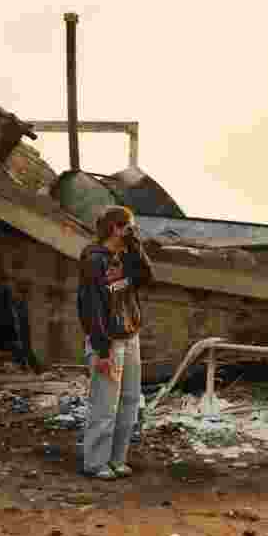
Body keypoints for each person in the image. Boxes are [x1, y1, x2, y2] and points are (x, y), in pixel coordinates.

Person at [77, 205, 154, 480]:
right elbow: (90, 306)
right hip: (108, 339)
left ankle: (117, 459)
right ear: (115, 228)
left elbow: (147, 278)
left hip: (130, 334)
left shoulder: (126, 257)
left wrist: (136, 248)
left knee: (130, 400)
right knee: (105, 402)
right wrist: (101, 349)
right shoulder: (94, 259)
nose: (133, 231)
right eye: (129, 227)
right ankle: (96, 462)